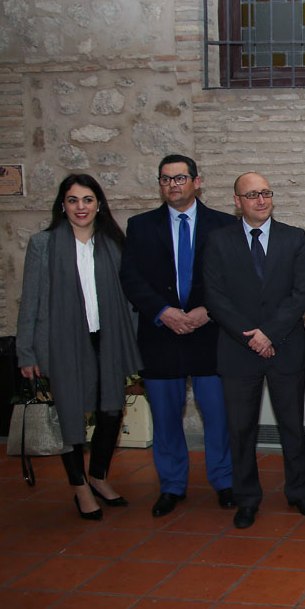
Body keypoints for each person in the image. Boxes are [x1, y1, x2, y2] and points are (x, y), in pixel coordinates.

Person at [17, 174, 143, 521]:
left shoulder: (114, 244)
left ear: (98, 204)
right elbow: (30, 301)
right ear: (63, 205)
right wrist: (26, 352)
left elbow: (129, 298)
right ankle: (79, 487)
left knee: (111, 411)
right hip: (61, 345)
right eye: (73, 200)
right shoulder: (43, 244)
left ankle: (99, 476)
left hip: (107, 339)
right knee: (70, 413)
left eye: (87, 200)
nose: (80, 207)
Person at [120, 154, 238, 518]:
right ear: (160, 184)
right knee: (167, 415)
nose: (173, 184)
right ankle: (172, 485)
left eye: (180, 178)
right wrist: (163, 312)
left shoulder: (222, 224)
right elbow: (131, 278)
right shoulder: (140, 226)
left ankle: (225, 481)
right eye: (166, 179)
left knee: (218, 414)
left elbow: (232, 278)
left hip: (210, 332)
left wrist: (208, 310)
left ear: (197, 181)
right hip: (161, 334)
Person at [204, 173, 305, 529]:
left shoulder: (294, 238)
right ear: (237, 201)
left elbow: (301, 294)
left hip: (284, 347)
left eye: (265, 193)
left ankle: (298, 491)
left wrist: (269, 333)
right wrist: (249, 336)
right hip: (238, 351)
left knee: (292, 427)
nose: (261, 200)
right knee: (241, 429)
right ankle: (247, 498)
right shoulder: (218, 241)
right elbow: (215, 297)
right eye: (252, 195)